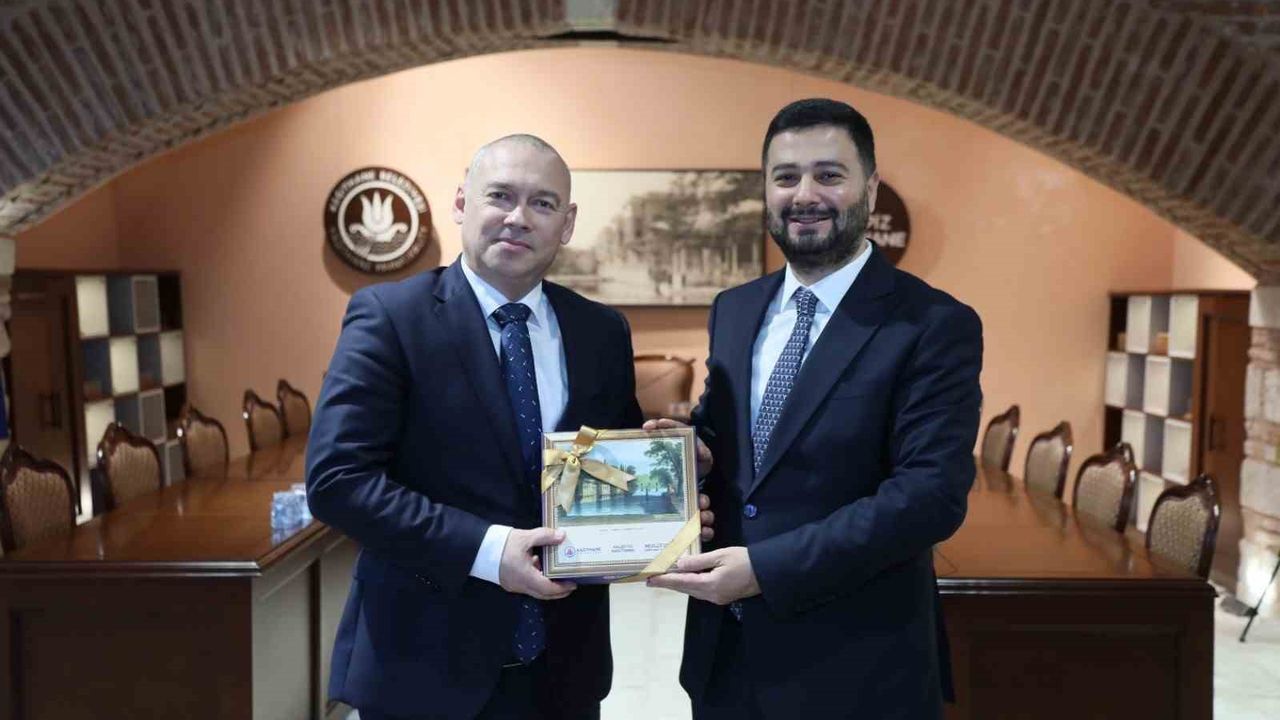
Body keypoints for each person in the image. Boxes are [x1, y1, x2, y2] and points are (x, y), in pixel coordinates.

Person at [306, 134, 711, 720]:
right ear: (461, 203)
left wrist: (669, 499)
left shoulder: (601, 331)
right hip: (423, 670)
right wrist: (489, 551)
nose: (518, 217)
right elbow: (338, 482)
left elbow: (603, 469)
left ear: (566, 224)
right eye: (500, 195)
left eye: (542, 203)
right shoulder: (391, 318)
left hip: (564, 671)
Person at [647, 98, 984, 719]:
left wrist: (766, 569)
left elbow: (930, 495)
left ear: (870, 188)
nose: (805, 194)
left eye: (829, 175)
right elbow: (731, 435)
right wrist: (693, 450)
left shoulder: (932, 323)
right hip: (727, 659)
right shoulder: (735, 309)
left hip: (857, 671)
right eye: (786, 177)